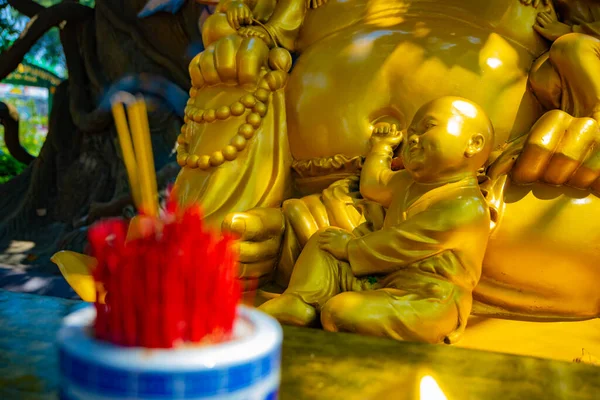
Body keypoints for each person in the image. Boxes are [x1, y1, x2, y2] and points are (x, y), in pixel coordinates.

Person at [259, 96, 494, 343]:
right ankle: (300, 301)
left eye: (427, 128)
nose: (413, 138)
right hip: (381, 281)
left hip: (431, 300)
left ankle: (337, 318)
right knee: (323, 240)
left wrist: (350, 248)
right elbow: (374, 185)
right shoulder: (408, 182)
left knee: (341, 311)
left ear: (473, 144)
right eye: (412, 132)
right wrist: (382, 147)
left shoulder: (465, 206)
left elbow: (401, 243)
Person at [528, 0, 600, 121]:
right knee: (543, 77)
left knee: (575, 47)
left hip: (581, 43)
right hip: (565, 48)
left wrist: (573, 30)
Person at [202, 0, 327, 50]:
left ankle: (272, 33)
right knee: (215, 25)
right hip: (249, 25)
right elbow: (226, 4)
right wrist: (235, 6)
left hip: (284, 23)